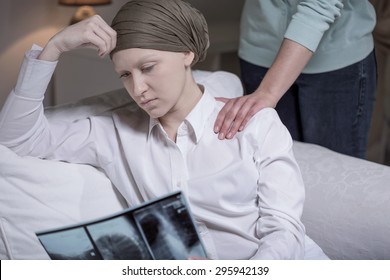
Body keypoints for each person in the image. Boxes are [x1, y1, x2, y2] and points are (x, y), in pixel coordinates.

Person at [0, 0, 327, 259]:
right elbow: (17, 139)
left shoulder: (255, 125)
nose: (138, 88)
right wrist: (53, 49)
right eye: (125, 75)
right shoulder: (112, 132)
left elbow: (283, 232)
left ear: (188, 53)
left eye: (148, 67)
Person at [213, 0, 377, 159]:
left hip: (336, 58)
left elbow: (320, 5)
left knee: (337, 168)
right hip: (260, 48)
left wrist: (268, 92)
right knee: (267, 166)